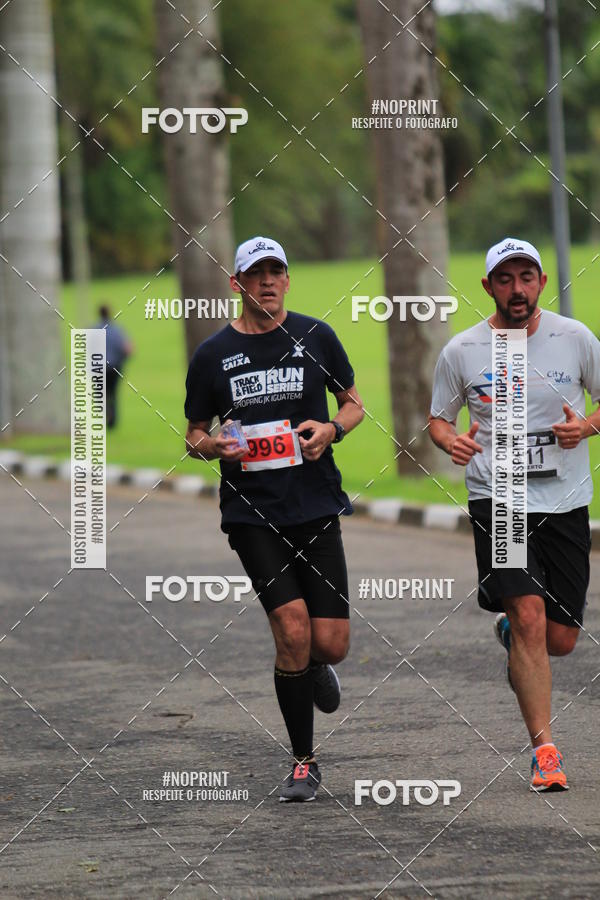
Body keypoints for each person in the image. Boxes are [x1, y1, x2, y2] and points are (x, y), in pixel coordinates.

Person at [184, 236, 364, 801]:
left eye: (276, 271)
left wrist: (331, 429)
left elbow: (354, 404)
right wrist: (214, 446)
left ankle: (314, 665)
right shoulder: (212, 354)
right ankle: (303, 762)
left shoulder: (317, 336)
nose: (267, 281)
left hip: (315, 504)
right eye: (255, 273)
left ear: (287, 279)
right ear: (236, 284)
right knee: (291, 628)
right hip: (252, 513)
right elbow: (193, 435)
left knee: (329, 643)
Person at [429, 237, 600, 792]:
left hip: (564, 501)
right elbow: (438, 419)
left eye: (527, 277)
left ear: (542, 282)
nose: (517, 288)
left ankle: (511, 634)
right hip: (498, 499)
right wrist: (451, 441)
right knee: (529, 616)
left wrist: (585, 427)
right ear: (488, 287)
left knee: (561, 638)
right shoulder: (462, 350)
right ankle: (544, 751)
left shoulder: (575, 338)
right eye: (505, 279)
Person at [95, 304, 133, 428]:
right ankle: (112, 420)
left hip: (98, 368)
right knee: (112, 393)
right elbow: (127, 349)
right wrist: (122, 360)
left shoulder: (94, 329)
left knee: (100, 394)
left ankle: (103, 417)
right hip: (114, 368)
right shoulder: (117, 330)